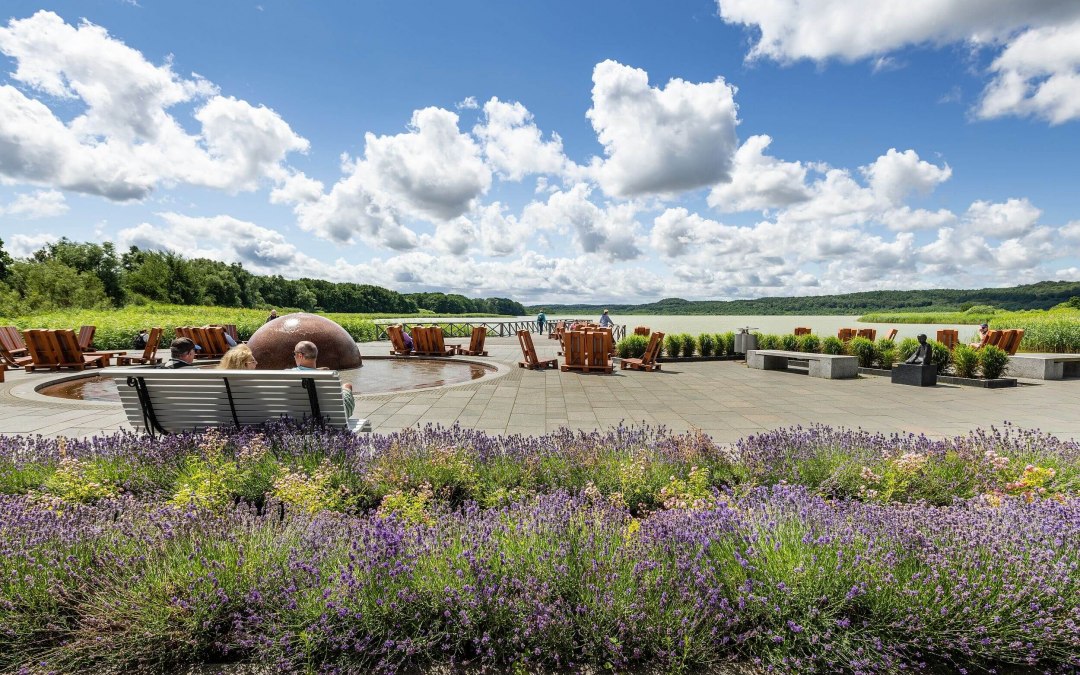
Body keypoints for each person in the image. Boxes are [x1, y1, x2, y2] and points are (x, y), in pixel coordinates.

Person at [292, 340, 355, 417]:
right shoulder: (328, 376)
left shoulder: (287, 374)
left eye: (294, 354)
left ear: (300, 356)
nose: (294, 356)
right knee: (347, 386)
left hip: (297, 416)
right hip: (333, 417)